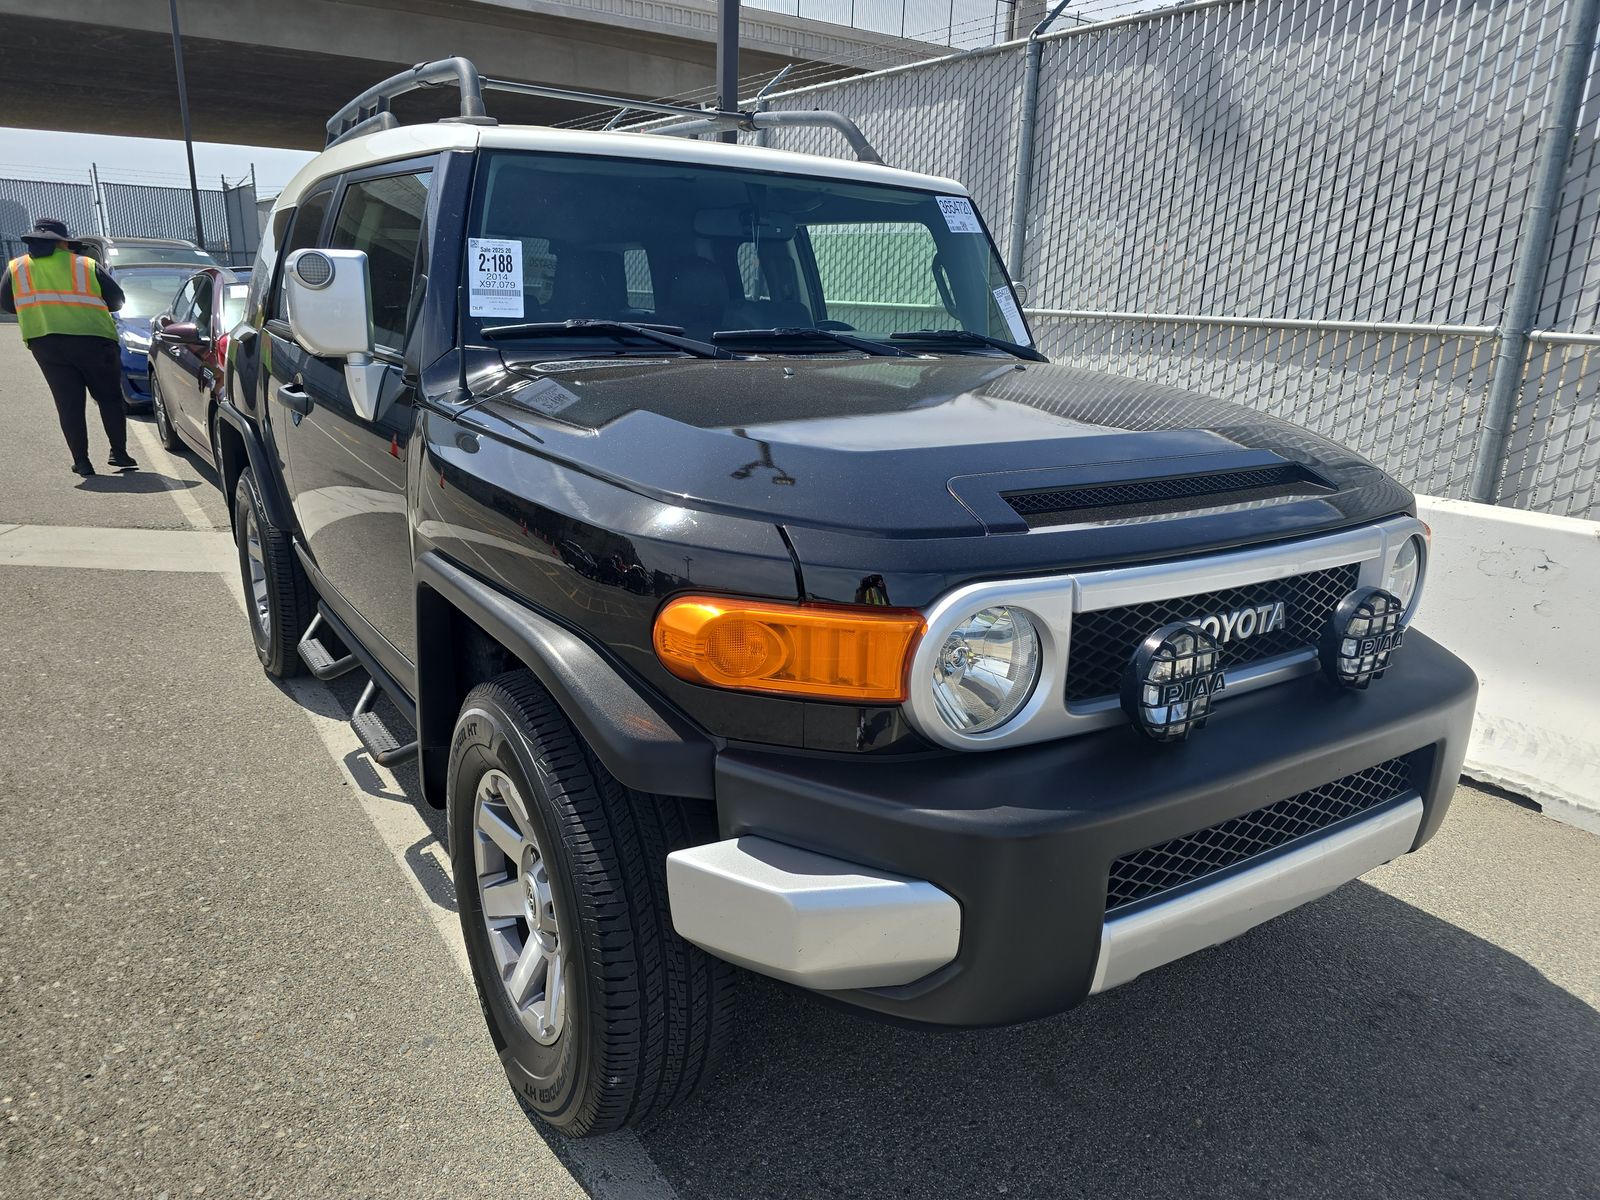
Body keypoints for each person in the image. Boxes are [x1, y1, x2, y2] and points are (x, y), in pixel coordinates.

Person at [1, 218, 137, 476]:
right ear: (63, 242)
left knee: (68, 403)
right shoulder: (85, 265)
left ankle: (82, 461)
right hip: (94, 340)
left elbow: (7, 304)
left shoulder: (16, 268)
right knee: (109, 398)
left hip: (46, 342)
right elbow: (117, 301)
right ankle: (119, 453)